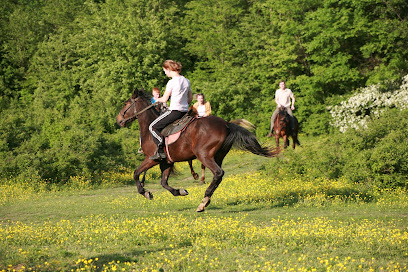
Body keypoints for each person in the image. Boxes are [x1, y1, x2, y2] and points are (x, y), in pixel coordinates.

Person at [148, 60, 193, 160]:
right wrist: (184, 104)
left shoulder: (171, 82)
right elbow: (190, 98)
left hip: (174, 111)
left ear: (168, 69)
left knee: (152, 127)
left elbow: (164, 99)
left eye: (164, 70)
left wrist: (156, 100)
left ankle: (160, 149)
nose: (165, 73)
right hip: (185, 111)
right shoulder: (186, 81)